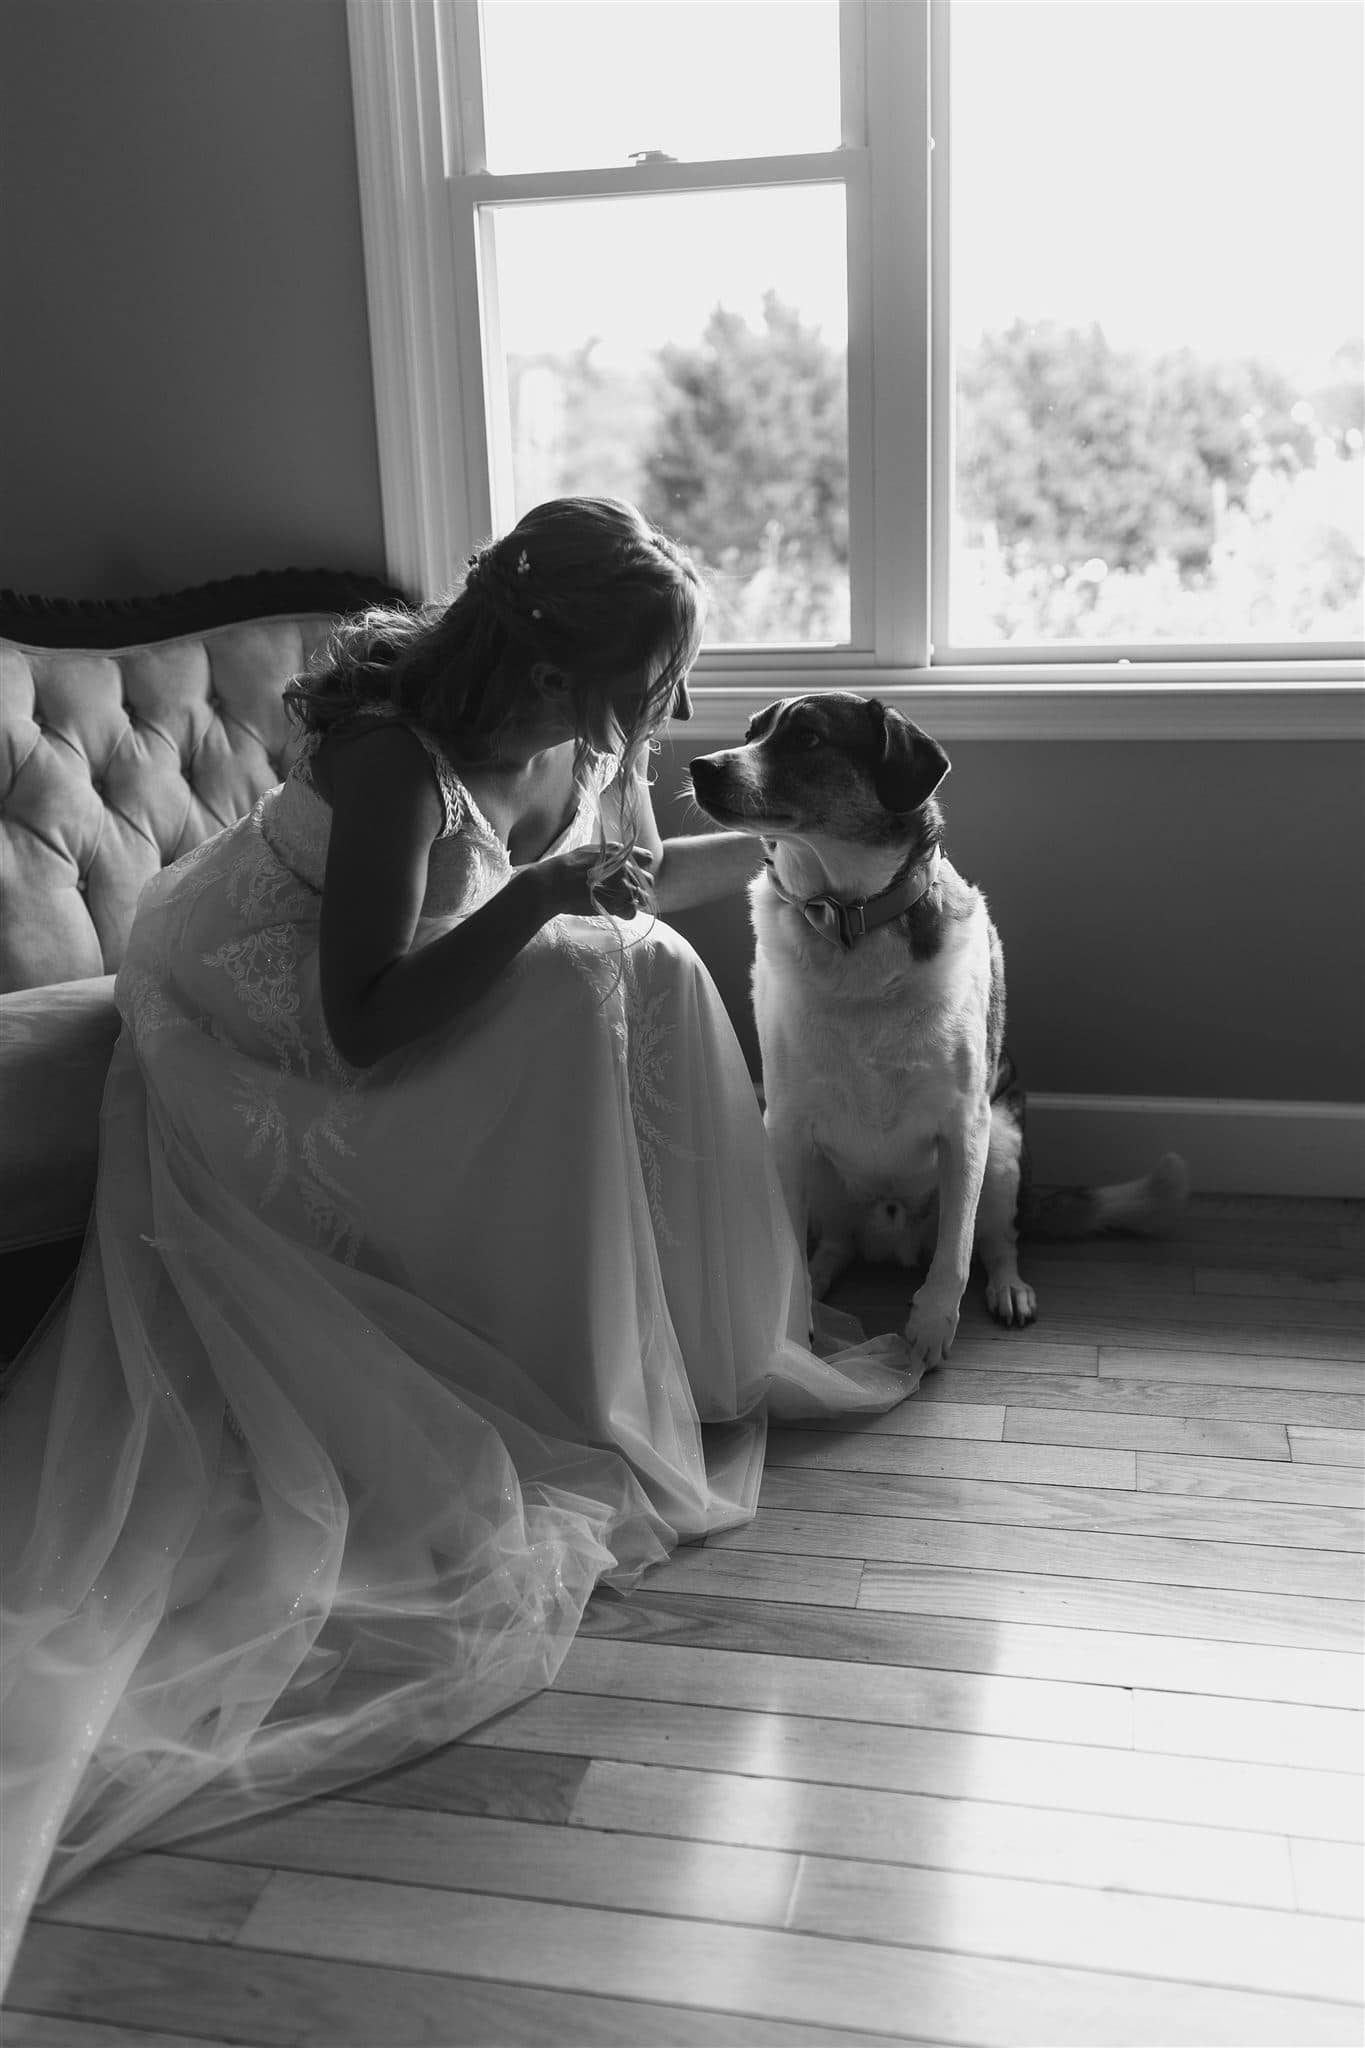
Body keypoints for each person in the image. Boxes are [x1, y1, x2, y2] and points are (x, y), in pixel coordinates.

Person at [0, 496, 912, 1986]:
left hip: (415, 979)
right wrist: (548, 898)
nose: (673, 714)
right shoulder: (391, 766)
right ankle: (563, 1364)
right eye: (656, 680)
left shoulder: (578, 739)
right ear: (554, 675)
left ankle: (692, 1339)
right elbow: (359, 1026)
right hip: (261, 1023)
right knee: (573, 986)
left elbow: (612, 891)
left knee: (655, 969)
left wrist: (795, 847)